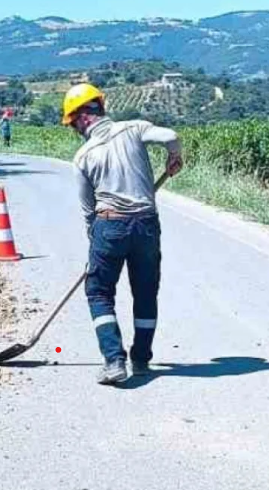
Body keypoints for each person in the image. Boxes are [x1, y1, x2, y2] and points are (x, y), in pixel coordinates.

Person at [61, 83, 183, 385]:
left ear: (82, 117)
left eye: (73, 122)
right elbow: (171, 137)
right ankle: (141, 359)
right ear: (99, 108)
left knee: (99, 291)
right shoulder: (133, 129)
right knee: (145, 292)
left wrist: (96, 243)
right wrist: (173, 158)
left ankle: (114, 360)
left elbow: (87, 210)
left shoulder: (83, 156)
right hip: (145, 224)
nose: (75, 129)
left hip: (109, 224)